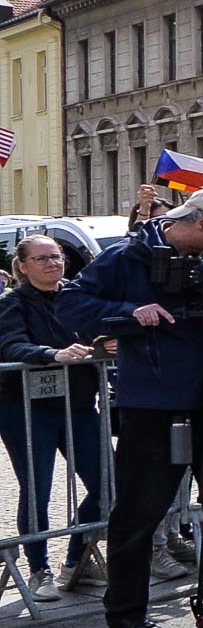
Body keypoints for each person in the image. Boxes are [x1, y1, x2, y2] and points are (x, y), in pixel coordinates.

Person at [59, 187, 203, 628]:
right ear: (199, 222)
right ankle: (126, 616)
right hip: (154, 401)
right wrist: (129, 313)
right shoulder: (129, 255)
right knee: (140, 513)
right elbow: (71, 303)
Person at [0, 232, 108, 600]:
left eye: (57, 257)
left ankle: (76, 560)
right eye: (43, 258)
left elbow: (99, 330)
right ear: (23, 266)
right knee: (37, 489)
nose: (53, 264)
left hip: (79, 404)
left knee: (107, 483)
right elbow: (10, 345)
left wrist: (106, 343)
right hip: (26, 409)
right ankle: (39, 569)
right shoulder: (12, 302)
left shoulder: (76, 295)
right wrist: (51, 354)